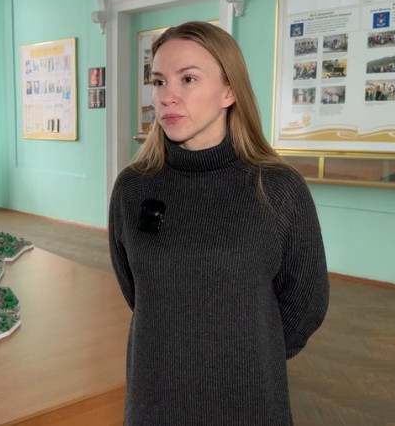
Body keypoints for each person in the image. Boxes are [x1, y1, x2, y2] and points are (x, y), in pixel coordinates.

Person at [107, 21, 329, 425]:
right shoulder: (132, 188)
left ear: (229, 91)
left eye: (188, 79)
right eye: (159, 81)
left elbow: (306, 301)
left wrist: (251, 352)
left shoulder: (277, 187)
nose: (167, 96)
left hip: (248, 399)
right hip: (154, 399)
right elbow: (138, 290)